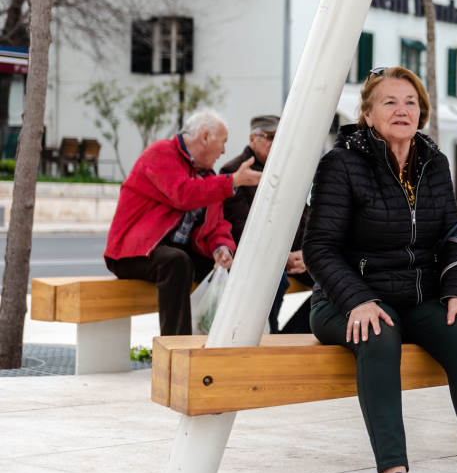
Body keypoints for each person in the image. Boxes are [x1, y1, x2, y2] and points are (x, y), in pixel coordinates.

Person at [303, 66, 457, 473]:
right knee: (379, 336)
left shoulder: (432, 162)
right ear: (367, 113)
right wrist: (357, 299)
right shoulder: (341, 163)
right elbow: (318, 247)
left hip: (418, 296)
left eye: (410, 102)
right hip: (343, 300)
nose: (402, 110)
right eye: (389, 101)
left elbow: (454, 235)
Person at [104, 111, 261, 336]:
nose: (224, 151)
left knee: (234, 269)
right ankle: (176, 348)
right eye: (223, 142)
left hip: (175, 255)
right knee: (177, 261)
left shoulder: (208, 176)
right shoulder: (161, 152)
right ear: (205, 137)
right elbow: (183, 194)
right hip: (134, 253)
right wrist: (233, 181)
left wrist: (222, 248)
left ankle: (231, 342)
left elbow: (217, 224)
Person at [220, 115, 313, 334]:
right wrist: (281, 257)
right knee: (272, 278)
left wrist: (305, 254)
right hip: (253, 258)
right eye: (271, 136)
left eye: (282, 137)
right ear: (253, 139)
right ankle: (268, 336)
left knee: (334, 279)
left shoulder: (288, 169)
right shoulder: (233, 171)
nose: (278, 142)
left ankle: (288, 337)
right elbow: (239, 229)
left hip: (290, 257)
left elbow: (306, 217)